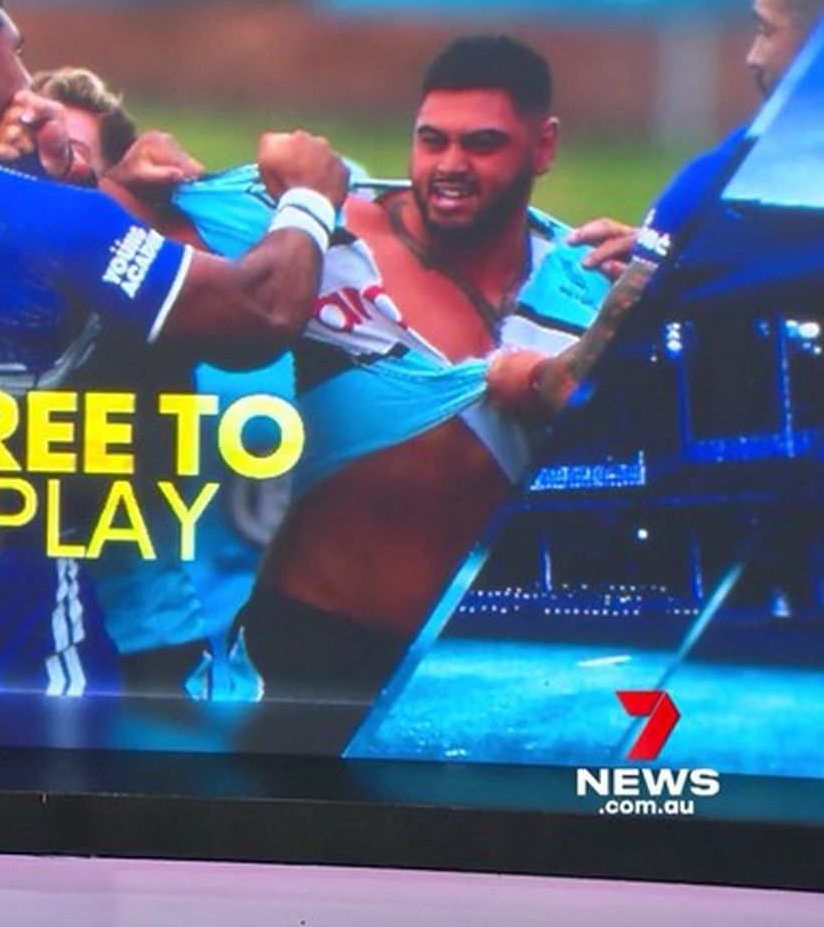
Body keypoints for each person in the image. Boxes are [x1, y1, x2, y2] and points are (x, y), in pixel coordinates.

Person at [0, 0, 348, 694]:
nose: (27, 77)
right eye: (18, 53)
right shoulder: (27, 210)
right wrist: (309, 198)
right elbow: (259, 311)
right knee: (53, 768)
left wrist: (100, 187)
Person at [238, 35, 616, 703]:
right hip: (311, 655)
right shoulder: (331, 240)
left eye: (482, 145)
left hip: (488, 671)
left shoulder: (586, 280)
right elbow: (138, 234)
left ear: (543, 146)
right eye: (432, 141)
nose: (450, 166)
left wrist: (663, 275)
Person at [492, 0, 824, 418]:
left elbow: (580, 387)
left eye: (766, 31)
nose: (753, 56)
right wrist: (693, 250)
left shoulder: (722, 184)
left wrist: (522, 375)